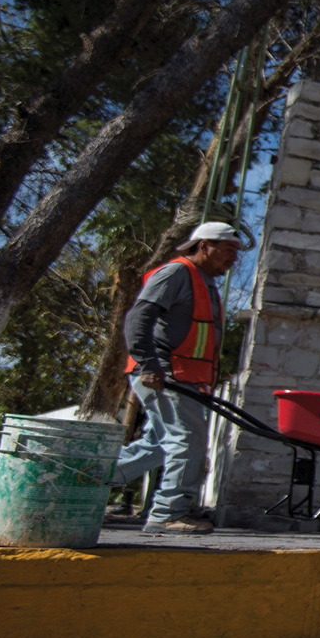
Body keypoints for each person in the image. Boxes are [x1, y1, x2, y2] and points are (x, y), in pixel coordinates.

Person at [112, 221, 243, 534]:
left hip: (181, 377)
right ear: (203, 246)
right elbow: (138, 318)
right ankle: (168, 513)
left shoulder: (205, 282)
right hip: (164, 374)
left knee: (158, 445)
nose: (233, 259)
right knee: (187, 439)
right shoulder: (176, 273)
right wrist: (148, 364)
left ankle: (86, 481)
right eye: (228, 251)